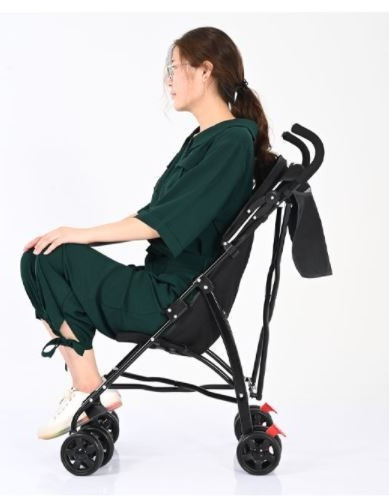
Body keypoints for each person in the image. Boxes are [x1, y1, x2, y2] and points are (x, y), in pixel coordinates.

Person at [20, 26, 277, 440]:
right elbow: (155, 214)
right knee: (40, 257)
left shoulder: (229, 143)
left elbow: (161, 223)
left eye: (175, 68)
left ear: (205, 71)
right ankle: (87, 389)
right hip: (164, 290)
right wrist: (78, 235)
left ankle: (87, 389)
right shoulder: (207, 139)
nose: (168, 80)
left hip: (174, 302)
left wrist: (79, 235)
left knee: (49, 258)